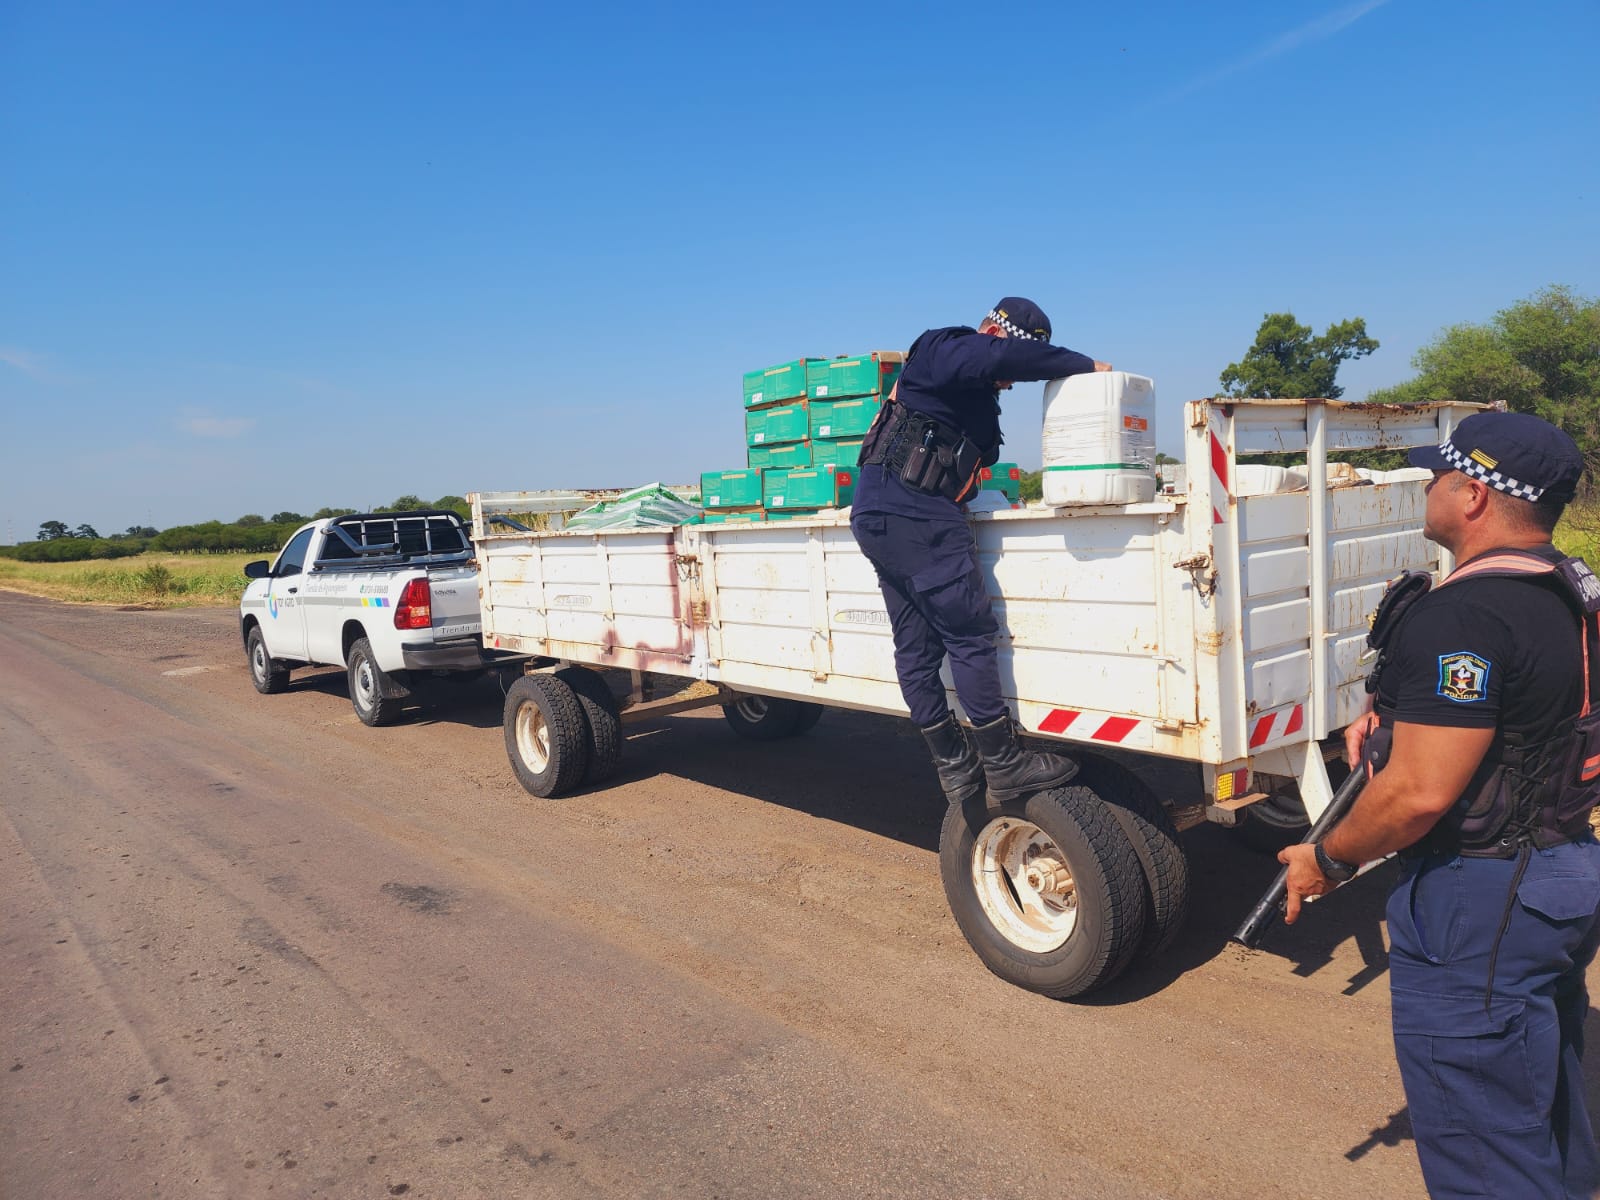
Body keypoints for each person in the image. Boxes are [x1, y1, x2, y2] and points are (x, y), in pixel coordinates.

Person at [1279, 411, 1600, 1198]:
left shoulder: (1465, 614)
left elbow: (1419, 793)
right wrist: (1399, 718)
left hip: (1483, 897)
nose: (1427, 486)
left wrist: (1325, 856)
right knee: (1543, 1092)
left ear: (1475, 494)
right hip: (1563, 866)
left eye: (1438, 474)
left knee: (1483, 1144)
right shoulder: (1572, 589)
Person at [849, 297, 1110, 805]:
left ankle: (955, 768)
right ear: (995, 330)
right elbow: (996, 359)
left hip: (882, 514)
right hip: (915, 514)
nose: (1009, 381)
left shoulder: (961, 389)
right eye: (1016, 359)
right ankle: (1004, 762)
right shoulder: (945, 349)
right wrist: (1085, 366)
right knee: (968, 633)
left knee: (917, 649)